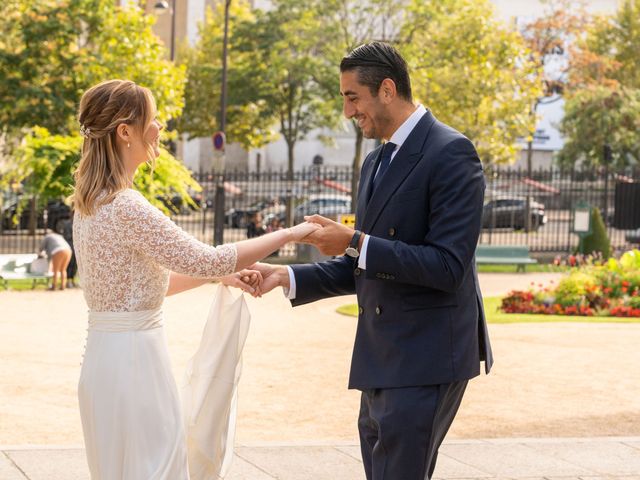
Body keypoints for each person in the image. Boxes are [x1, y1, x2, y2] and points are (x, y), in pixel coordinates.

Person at [253, 42, 493, 480]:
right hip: (382, 356)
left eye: (352, 97)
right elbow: (362, 264)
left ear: (386, 89)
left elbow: (447, 266)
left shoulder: (451, 152)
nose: (348, 112)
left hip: (427, 354)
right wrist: (283, 275)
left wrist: (357, 241)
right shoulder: (376, 160)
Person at [72, 79, 318, 479]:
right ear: (125, 132)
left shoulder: (89, 205)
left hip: (103, 365)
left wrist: (220, 279)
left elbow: (147, 288)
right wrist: (290, 233)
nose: (159, 130)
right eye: (154, 121)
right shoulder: (126, 206)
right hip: (137, 369)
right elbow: (210, 258)